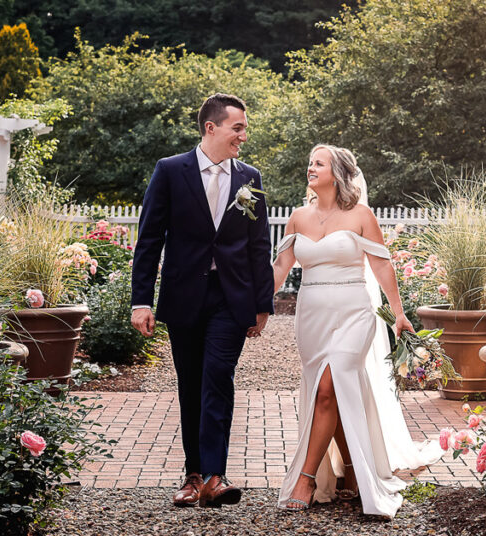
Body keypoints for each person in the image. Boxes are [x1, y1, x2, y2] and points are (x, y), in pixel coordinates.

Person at [273, 145, 443, 518]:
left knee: (327, 389)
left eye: (318, 163)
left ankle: (306, 477)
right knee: (330, 393)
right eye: (310, 162)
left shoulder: (361, 215)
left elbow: (382, 267)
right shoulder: (297, 217)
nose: (310, 168)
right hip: (312, 314)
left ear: (337, 173)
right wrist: (251, 305)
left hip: (354, 312)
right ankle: (351, 470)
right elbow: (281, 266)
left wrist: (399, 314)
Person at [130, 93, 275, 508]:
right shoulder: (170, 171)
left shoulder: (249, 178)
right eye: (238, 128)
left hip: (231, 299)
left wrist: (263, 303)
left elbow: (257, 243)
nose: (243, 136)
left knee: (217, 378)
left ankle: (214, 474)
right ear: (211, 128)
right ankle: (193, 476)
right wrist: (142, 300)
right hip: (184, 295)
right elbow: (149, 239)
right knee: (190, 383)